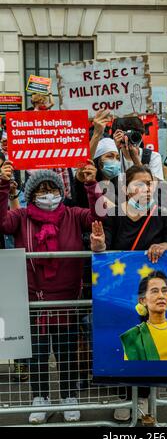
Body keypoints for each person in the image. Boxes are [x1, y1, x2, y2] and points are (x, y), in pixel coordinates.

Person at [0, 162, 105, 424]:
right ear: (32, 193)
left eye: (53, 189)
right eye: (42, 190)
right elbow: (2, 223)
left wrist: (91, 185)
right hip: (34, 299)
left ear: (61, 191)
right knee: (36, 353)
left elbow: (97, 217)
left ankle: (69, 396)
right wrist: (2, 186)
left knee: (66, 350)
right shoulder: (21, 216)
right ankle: (40, 398)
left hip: (67, 298)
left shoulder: (72, 214)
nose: (49, 195)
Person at [91, 164, 167, 421]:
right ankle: (123, 396)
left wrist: (164, 244)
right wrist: (98, 243)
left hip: (148, 294)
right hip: (119, 293)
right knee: (123, 341)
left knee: (147, 342)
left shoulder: (162, 214)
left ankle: (143, 396)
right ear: (126, 189)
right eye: (139, 183)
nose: (145, 188)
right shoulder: (114, 215)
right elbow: (102, 246)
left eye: (149, 183)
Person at [120, 271, 167, 361]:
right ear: (143, 300)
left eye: (165, 291)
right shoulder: (134, 336)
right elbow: (131, 372)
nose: (161, 296)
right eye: (155, 291)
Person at [113, 117, 164, 181]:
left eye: (136, 136)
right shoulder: (112, 156)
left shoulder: (153, 156)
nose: (131, 138)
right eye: (128, 134)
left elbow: (154, 185)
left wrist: (136, 160)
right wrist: (114, 148)